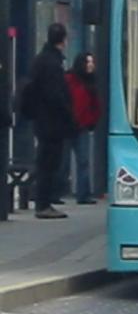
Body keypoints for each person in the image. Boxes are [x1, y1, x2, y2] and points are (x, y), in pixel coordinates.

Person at [30, 23, 76, 219]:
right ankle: (43, 203)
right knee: (49, 162)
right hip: (52, 122)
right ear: (63, 40)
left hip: (42, 120)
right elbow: (55, 95)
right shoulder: (53, 63)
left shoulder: (41, 60)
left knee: (45, 161)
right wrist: (68, 114)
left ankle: (44, 201)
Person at [60, 53, 101, 205]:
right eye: (88, 62)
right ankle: (58, 191)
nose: (91, 65)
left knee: (83, 161)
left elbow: (94, 104)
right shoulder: (70, 79)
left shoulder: (89, 81)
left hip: (81, 125)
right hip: (69, 125)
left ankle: (83, 194)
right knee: (64, 161)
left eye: (92, 61)